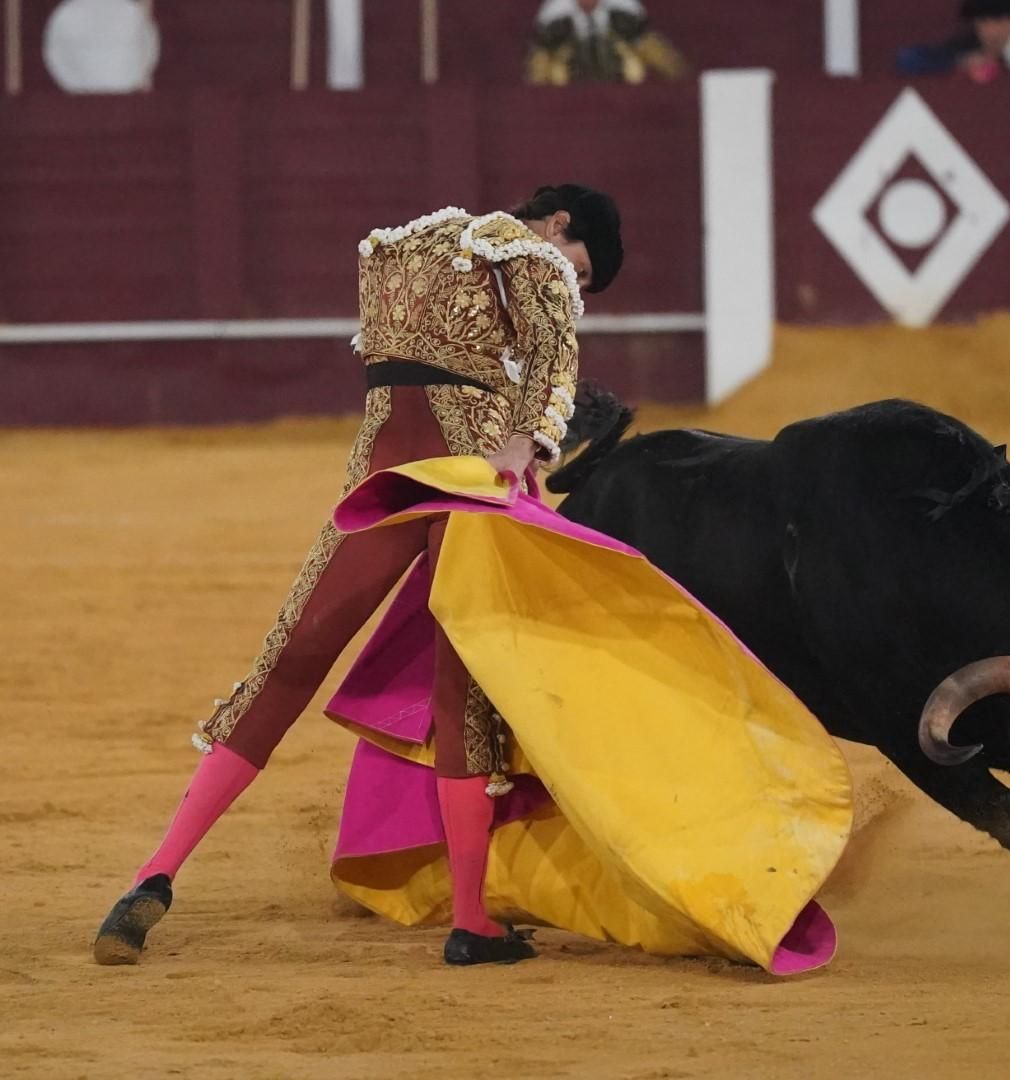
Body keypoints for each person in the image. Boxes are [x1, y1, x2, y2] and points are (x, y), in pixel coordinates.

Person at [92, 185, 623, 968]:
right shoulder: (529, 254)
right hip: (467, 476)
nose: (576, 287)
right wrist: (530, 445)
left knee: (289, 660)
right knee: (464, 690)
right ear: (561, 226)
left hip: (380, 474)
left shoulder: (399, 248)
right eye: (584, 271)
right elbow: (555, 363)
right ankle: (471, 920)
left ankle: (151, 877)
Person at [897, 0, 1010, 83]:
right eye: (983, 20)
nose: (991, 28)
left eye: (998, 19)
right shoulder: (962, 47)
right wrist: (959, 64)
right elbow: (908, 59)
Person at [527, 0, 686, 86]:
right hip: (570, 74)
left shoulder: (624, 6)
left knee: (647, 43)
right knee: (542, 57)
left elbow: (644, 39)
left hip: (620, 69)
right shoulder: (555, 13)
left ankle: (681, 80)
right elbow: (543, 50)